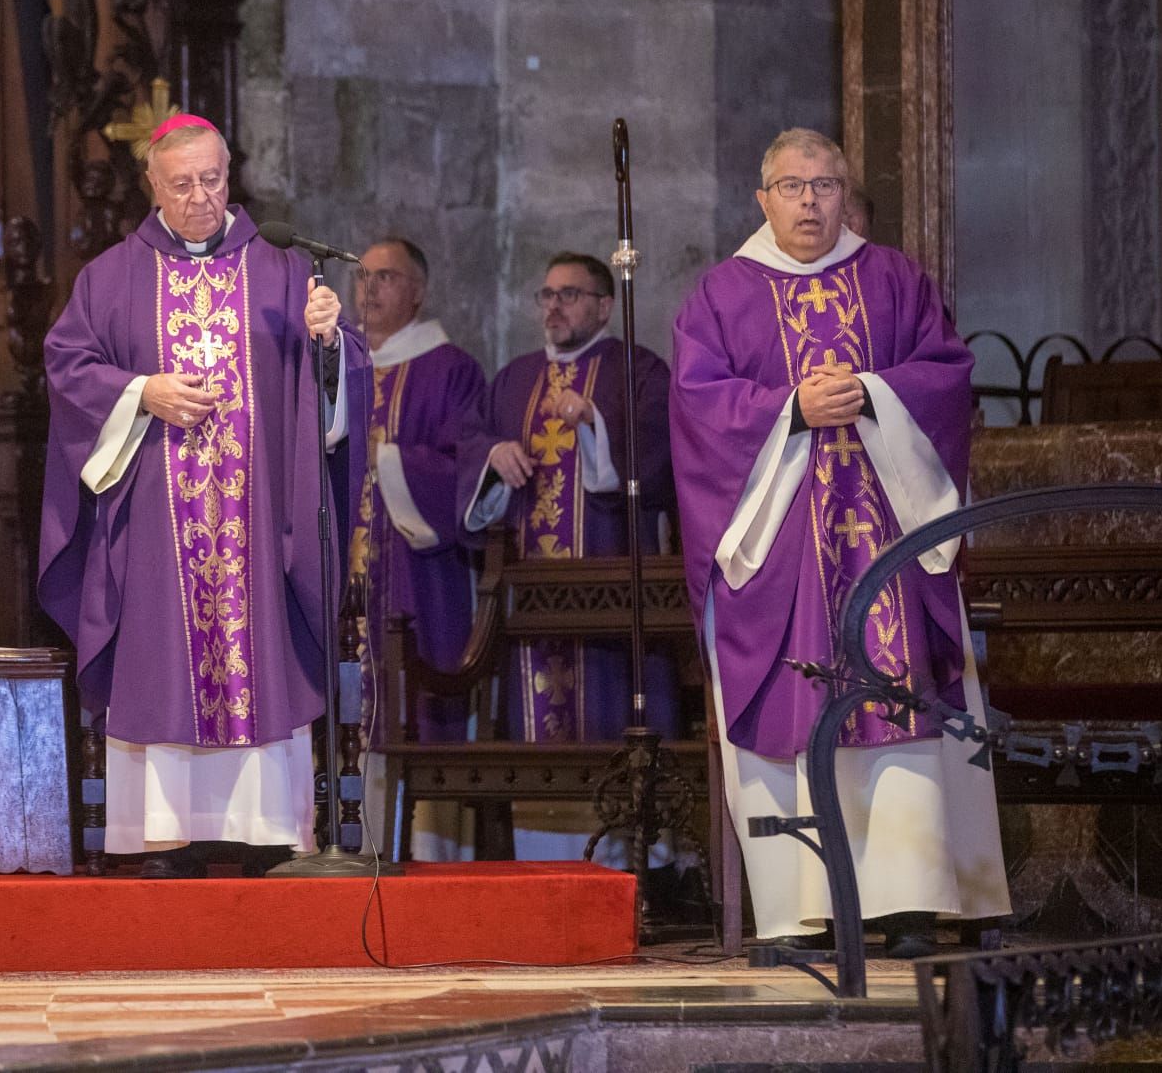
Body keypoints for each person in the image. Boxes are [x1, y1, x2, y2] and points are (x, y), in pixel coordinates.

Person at [671, 127, 1008, 956]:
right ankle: (802, 911)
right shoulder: (721, 294)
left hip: (886, 535)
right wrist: (790, 410)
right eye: (792, 187)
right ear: (763, 198)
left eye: (824, 186)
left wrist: (872, 392)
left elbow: (946, 374)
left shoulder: (894, 278)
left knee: (897, 694)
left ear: (844, 191)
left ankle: (909, 900)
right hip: (781, 544)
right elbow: (696, 405)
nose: (810, 202)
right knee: (796, 702)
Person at [39, 113, 367, 878]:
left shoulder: (283, 269)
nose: (199, 199)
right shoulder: (112, 276)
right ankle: (162, 834)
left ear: (231, 174)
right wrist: (139, 390)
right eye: (181, 184)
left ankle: (261, 829)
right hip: (157, 521)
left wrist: (331, 344)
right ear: (151, 185)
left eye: (212, 180)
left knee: (260, 648)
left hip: (259, 524)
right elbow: (66, 368)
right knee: (160, 653)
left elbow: (332, 394)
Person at [460, 251, 678, 861]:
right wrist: (493, 456)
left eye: (570, 295)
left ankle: (636, 865)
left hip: (611, 590)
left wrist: (597, 423)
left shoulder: (637, 371)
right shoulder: (514, 378)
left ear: (606, 306)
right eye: (547, 294)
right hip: (529, 598)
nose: (553, 306)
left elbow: (661, 459)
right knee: (534, 720)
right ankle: (538, 861)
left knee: (615, 708)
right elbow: (472, 442)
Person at [348, 236, 485, 860]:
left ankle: (431, 853)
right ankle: (350, 843)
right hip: (349, 579)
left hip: (421, 577)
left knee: (422, 703)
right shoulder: (340, 364)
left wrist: (386, 461)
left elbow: (463, 467)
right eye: (363, 277)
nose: (369, 289)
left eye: (386, 277)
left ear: (418, 291)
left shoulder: (449, 367)